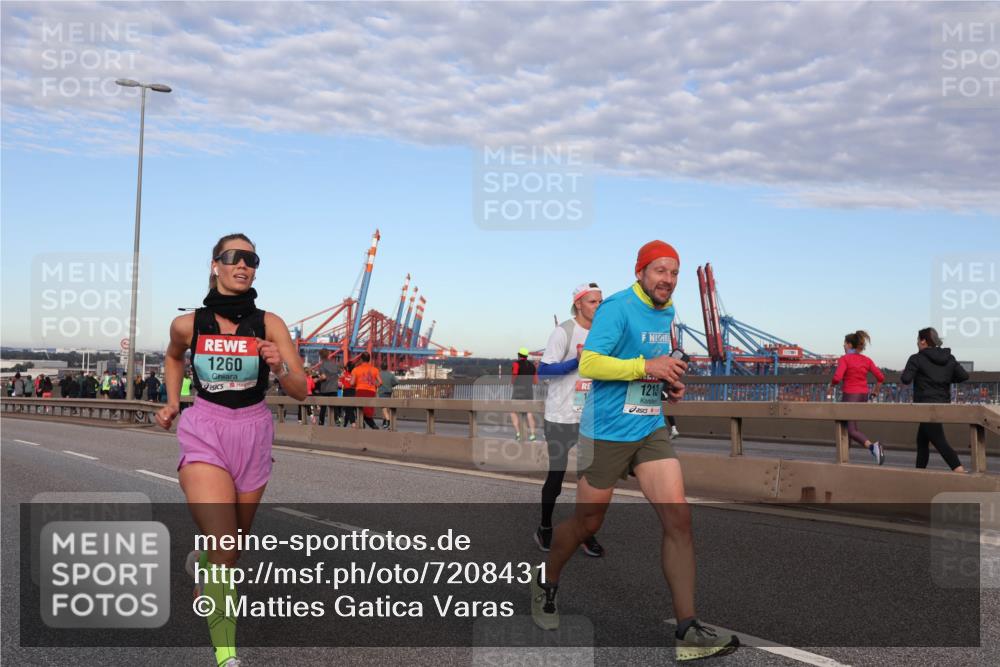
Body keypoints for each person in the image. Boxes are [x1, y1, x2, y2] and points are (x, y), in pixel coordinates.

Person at [530, 240, 739, 661]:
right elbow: (590, 364)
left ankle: (687, 632)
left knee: (679, 517)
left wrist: (665, 381)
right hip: (604, 432)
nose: (669, 279)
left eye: (675, 272)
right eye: (660, 270)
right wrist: (647, 368)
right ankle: (546, 580)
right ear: (640, 271)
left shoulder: (666, 312)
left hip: (648, 428)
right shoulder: (617, 307)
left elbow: (651, 362)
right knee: (588, 523)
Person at [156, 233, 307, 667]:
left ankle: (206, 564)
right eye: (233, 258)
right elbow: (172, 357)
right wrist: (171, 401)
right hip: (205, 429)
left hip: (254, 432)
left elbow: (300, 391)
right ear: (214, 265)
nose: (243, 265)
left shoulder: (270, 324)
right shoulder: (189, 325)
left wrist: (278, 365)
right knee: (224, 539)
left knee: (232, 546)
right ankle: (226, 654)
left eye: (251, 259)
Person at [535, 282, 605, 558]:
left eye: (600, 301)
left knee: (591, 480)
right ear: (579, 304)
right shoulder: (563, 331)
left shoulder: (602, 332)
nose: (598, 307)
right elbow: (544, 372)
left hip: (589, 416)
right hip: (559, 416)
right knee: (556, 476)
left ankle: (586, 534)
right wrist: (577, 362)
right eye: (593, 302)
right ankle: (545, 527)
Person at [900, 327, 969, 473]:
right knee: (922, 440)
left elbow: (906, 379)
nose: (917, 342)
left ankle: (960, 471)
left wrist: (910, 370)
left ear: (924, 341)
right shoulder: (949, 358)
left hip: (925, 406)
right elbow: (964, 376)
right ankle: (919, 474)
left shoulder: (916, 358)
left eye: (918, 339)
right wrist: (946, 378)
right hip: (942, 404)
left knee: (939, 441)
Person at [830, 330, 885, 464]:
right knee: (845, 425)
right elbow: (881, 377)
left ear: (849, 345)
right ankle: (843, 458)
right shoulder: (866, 360)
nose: (843, 346)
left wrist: (831, 385)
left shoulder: (845, 359)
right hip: (863, 396)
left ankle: (873, 447)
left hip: (850, 395)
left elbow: (838, 377)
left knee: (851, 429)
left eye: (844, 344)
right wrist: (876, 391)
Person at [510, 347, 537, 441]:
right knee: (529, 413)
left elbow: (514, 376)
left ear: (519, 355)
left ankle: (518, 433)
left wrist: (514, 382)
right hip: (529, 391)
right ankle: (533, 435)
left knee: (513, 411)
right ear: (526, 356)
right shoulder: (532, 366)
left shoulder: (516, 364)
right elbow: (535, 381)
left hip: (518, 391)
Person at [351, 352, 381, 429]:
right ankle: (371, 426)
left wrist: (357, 384)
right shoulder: (375, 369)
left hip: (360, 391)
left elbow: (352, 383)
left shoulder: (356, 370)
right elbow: (380, 382)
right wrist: (373, 384)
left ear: (361, 359)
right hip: (371, 392)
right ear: (369, 359)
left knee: (360, 410)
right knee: (368, 412)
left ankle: (368, 426)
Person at [316, 349, 341, 426]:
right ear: (328, 355)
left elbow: (323, 377)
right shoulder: (335, 365)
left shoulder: (322, 366)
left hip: (325, 389)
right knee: (335, 407)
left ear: (320, 356)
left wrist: (316, 379)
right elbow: (340, 375)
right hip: (334, 388)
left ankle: (321, 422)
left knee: (323, 408)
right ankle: (337, 420)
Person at [378, 361, 397, 429]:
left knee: (383, 408)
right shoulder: (390, 374)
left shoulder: (379, 374)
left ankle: (388, 421)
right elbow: (397, 382)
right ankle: (384, 422)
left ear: (381, 367)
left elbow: (376, 382)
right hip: (389, 392)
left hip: (382, 392)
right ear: (387, 367)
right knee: (386, 407)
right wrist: (392, 385)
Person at [339, 361, 357, 427]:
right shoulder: (355, 374)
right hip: (354, 392)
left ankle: (353, 422)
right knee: (350, 408)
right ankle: (346, 423)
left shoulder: (344, 374)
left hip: (346, 392)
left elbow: (340, 385)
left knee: (348, 408)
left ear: (348, 367)